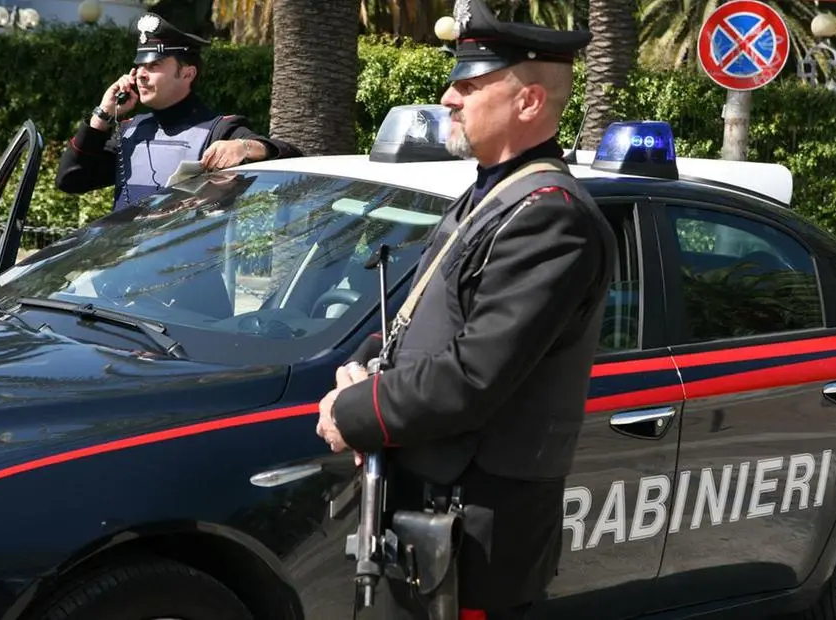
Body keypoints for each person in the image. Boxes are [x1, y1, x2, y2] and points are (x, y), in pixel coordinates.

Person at [315, 0, 617, 618]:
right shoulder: (491, 195)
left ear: (528, 102)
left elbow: (472, 375)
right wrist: (365, 364)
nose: (448, 98)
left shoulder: (550, 217)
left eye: (469, 85)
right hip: (432, 506)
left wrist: (354, 410)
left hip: (476, 524)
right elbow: (424, 322)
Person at [55, 12, 302, 212]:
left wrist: (245, 147)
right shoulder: (130, 131)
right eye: (139, 65)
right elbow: (70, 180)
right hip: (124, 269)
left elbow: (293, 159)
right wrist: (103, 114)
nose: (141, 73)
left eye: (154, 65)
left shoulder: (219, 130)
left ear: (187, 74)